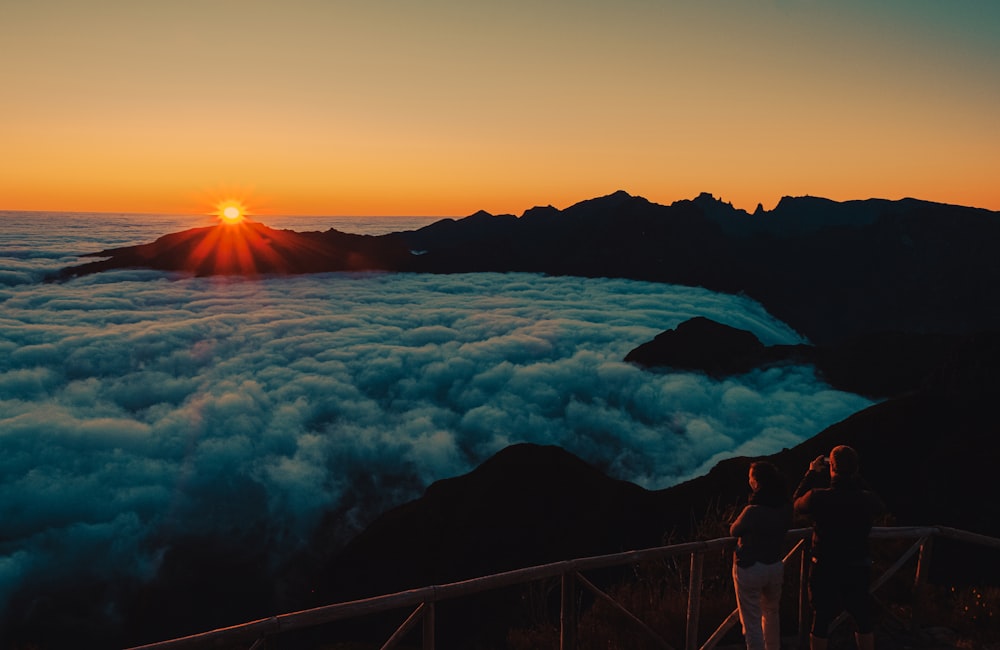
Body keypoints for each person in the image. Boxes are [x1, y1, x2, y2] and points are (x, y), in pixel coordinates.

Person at [793, 445, 886, 650]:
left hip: (824, 566)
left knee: (821, 619)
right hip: (858, 565)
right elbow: (880, 505)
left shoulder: (818, 497)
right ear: (856, 469)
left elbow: (796, 503)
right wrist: (856, 478)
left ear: (831, 468)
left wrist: (810, 473)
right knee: (862, 617)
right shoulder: (865, 499)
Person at [730, 461, 793, 650]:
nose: (748, 481)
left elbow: (734, 530)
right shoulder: (785, 508)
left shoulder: (752, 511)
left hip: (750, 568)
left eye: (750, 478)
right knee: (772, 613)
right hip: (774, 566)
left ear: (757, 482)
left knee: (752, 623)